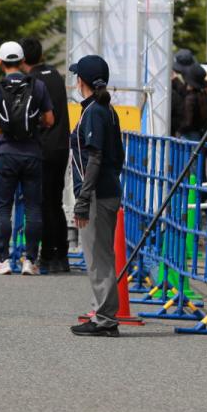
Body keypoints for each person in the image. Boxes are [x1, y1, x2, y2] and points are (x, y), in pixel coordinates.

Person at [0, 42, 54, 276]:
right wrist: (34, 124)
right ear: (22, 61)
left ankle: (2, 260)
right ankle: (30, 261)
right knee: (33, 208)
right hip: (32, 152)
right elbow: (50, 120)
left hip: (6, 153)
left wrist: (0, 122)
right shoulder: (38, 85)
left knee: (3, 207)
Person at [68, 54, 126, 337]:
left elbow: (94, 157)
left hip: (97, 194)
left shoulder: (94, 112)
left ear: (82, 81)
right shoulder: (107, 110)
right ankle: (101, 312)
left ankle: (104, 319)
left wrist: (82, 199)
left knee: (98, 257)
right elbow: (118, 155)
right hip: (108, 189)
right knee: (101, 255)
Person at [20, 38, 71, 275]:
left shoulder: (32, 80)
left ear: (22, 58)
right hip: (61, 145)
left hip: (43, 145)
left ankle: (48, 254)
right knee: (56, 202)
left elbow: (33, 115)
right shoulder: (55, 75)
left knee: (43, 203)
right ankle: (62, 254)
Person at [179, 62, 207, 142]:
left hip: (188, 137)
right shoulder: (203, 96)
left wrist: (179, 129)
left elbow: (188, 122)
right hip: (198, 135)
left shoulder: (190, 99)